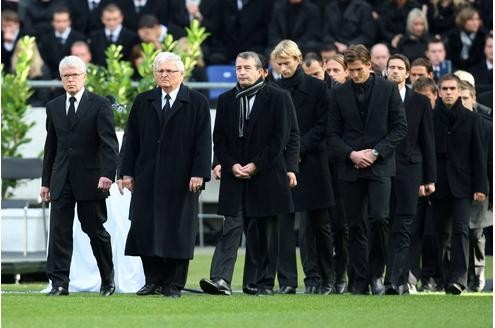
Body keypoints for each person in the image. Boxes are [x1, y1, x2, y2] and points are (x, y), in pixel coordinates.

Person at [199, 53, 300, 296]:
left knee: (264, 231)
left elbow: (280, 139)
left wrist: (255, 165)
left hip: (267, 175)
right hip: (235, 175)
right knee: (231, 226)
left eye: (247, 68)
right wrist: (231, 164)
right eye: (238, 68)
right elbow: (219, 139)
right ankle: (221, 279)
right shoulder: (226, 100)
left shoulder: (279, 97)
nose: (241, 72)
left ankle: (261, 283)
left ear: (262, 72)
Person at [120, 52, 212, 298]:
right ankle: (152, 280)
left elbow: (204, 143)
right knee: (145, 228)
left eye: (170, 71)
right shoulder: (143, 101)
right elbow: (131, 140)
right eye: (160, 71)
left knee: (178, 230)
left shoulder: (197, 101)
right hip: (147, 177)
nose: (164, 75)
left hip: (182, 179)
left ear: (181, 74)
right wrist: (126, 172)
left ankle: (173, 283)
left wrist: (199, 174)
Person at [328, 44, 407, 295]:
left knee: (380, 218)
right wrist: (351, 154)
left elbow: (400, 128)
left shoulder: (388, 89)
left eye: (358, 70)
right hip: (350, 168)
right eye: (350, 70)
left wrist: (375, 152)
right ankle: (360, 280)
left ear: (369, 66)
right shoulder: (339, 93)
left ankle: (376, 275)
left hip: (380, 165)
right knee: (355, 225)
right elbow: (332, 135)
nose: (354, 74)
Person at [40, 55, 119, 296]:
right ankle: (59, 283)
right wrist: (45, 183)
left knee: (95, 230)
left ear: (84, 76)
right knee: (59, 232)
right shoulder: (53, 107)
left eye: (75, 75)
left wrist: (108, 174)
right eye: (66, 75)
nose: (71, 79)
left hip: (91, 179)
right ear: (61, 78)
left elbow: (109, 144)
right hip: (61, 178)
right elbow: (51, 147)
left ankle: (107, 280)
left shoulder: (99, 104)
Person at [273, 40, 335, 294]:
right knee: (283, 226)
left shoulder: (319, 88)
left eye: (287, 63)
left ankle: (325, 278)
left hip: (313, 163)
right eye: (279, 64)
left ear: (298, 60)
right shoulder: (274, 89)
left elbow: (324, 125)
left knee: (319, 225)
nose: (283, 68)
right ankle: (288, 281)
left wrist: (297, 151)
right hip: (283, 164)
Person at [384, 54, 436, 295]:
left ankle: (397, 279)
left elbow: (428, 142)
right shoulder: (377, 97)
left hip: (411, 171)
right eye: (391, 67)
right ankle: (387, 276)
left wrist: (429, 179)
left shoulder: (420, 102)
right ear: (385, 71)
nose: (395, 71)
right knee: (383, 222)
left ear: (407, 74)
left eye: (399, 68)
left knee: (405, 225)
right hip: (382, 169)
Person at [430, 74, 487, 295]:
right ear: (438, 91)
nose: (448, 92)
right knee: (440, 233)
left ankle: (458, 280)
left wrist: (481, 186)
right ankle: (444, 278)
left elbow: (478, 156)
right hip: (438, 183)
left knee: (461, 230)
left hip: (463, 184)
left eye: (452, 88)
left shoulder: (471, 118)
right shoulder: (432, 118)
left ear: (459, 90)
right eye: (444, 89)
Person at [458, 80, 492, 292]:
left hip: (481, 186)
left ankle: (478, 274)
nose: (461, 102)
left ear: (473, 99)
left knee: (476, 232)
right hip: (456, 185)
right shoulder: (447, 124)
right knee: (457, 232)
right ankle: (460, 275)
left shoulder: (487, 126)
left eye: (465, 98)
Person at [38, 7, 86, 79]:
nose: (61, 24)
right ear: (53, 22)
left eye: (64, 21)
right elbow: (45, 63)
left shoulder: (80, 38)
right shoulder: (46, 40)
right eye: (58, 21)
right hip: (51, 83)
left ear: (69, 22)